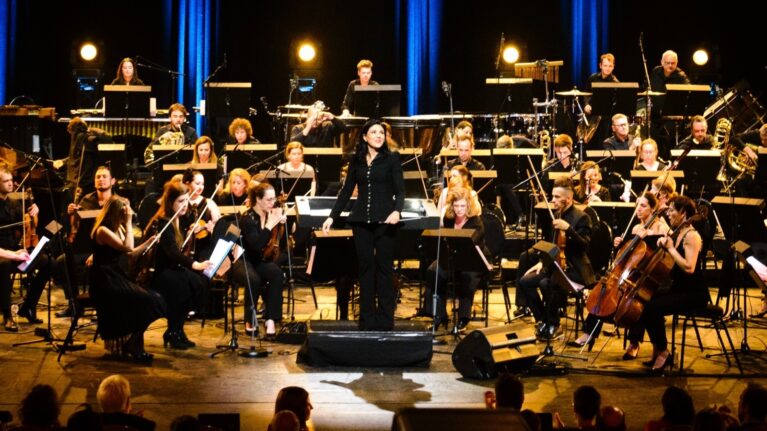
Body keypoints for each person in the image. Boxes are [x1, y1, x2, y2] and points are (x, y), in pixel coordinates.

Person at [322, 119, 405, 330]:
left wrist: (397, 211)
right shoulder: (357, 160)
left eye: (381, 133)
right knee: (365, 269)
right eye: (374, 132)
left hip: (385, 221)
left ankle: (385, 319)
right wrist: (332, 216)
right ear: (365, 137)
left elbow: (400, 190)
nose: (378, 136)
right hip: (360, 221)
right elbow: (346, 191)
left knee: (384, 270)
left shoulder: (392, 158)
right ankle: (366, 319)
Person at [572, 192, 669, 349]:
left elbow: (660, 253)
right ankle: (588, 333)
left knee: (636, 301)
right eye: (637, 205)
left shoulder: (661, 227)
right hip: (631, 273)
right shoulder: (636, 227)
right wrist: (621, 244)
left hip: (648, 276)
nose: (638, 209)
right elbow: (630, 256)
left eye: (643, 206)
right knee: (604, 292)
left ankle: (634, 343)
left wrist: (648, 236)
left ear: (653, 209)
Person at [632, 195, 708, 371]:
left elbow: (689, 268)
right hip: (678, 288)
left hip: (693, 293)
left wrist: (671, 248)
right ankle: (659, 350)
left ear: (683, 213)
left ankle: (663, 352)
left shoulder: (692, 236)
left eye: (672, 210)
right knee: (643, 301)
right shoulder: (677, 232)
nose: (668, 213)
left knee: (651, 308)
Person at [517, 177, 595, 340]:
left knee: (548, 283)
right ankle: (543, 320)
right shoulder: (556, 215)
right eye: (553, 196)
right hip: (556, 265)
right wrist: (542, 262)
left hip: (575, 269)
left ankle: (554, 324)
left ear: (568, 199)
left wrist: (569, 230)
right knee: (525, 281)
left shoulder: (582, 217)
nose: (553, 200)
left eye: (557, 197)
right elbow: (553, 245)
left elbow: (585, 246)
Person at [89, 197, 165, 361]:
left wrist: (148, 243)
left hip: (114, 276)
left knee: (154, 300)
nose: (130, 213)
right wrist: (129, 223)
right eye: (126, 211)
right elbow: (128, 247)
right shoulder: (103, 230)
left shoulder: (117, 228)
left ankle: (133, 343)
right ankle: (133, 344)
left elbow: (130, 254)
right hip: (104, 280)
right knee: (147, 301)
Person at [146, 181, 211, 349]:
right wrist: (195, 264)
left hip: (173, 268)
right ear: (170, 203)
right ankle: (173, 331)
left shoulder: (178, 219)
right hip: (159, 271)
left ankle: (177, 329)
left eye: (186, 200)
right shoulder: (163, 223)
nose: (185, 205)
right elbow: (173, 253)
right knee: (181, 286)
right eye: (180, 201)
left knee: (198, 282)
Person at [54, 165, 119, 318]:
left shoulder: (118, 202)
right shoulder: (86, 200)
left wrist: (97, 254)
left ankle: (100, 304)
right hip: (86, 248)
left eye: (104, 176)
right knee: (62, 261)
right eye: (98, 177)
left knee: (99, 265)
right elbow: (77, 227)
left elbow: (118, 234)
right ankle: (74, 303)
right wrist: (72, 214)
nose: (101, 179)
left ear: (113, 181)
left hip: (108, 251)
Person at [424, 187, 492, 331]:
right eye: (456, 206)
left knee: (467, 276)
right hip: (453, 257)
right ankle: (439, 315)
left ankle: (463, 318)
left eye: (462, 206)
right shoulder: (448, 219)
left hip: (473, 260)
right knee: (433, 271)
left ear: (468, 205)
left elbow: (470, 247)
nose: (459, 209)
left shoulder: (476, 222)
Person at [0, 165, 49, 331]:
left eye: (11, 180)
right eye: (5, 181)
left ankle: (28, 306)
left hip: (16, 253)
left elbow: (24, 228)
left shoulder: (14, 203)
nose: (10, 184)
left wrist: (34, 213)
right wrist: (14, 254)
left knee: (48, 262)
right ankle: (7, 314)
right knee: (4, 265)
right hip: (3, 256)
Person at [238, 182, 287, 336]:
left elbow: (277, 243)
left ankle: (270, 318)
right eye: (269, 200)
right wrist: (270, 224)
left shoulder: (269, 214)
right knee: (254, 279)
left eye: (274, 199)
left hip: (259, 259)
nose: (273, 203)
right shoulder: (247, 219)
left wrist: (282, 224)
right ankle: (249, 319)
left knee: (277, 274)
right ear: (258, 200)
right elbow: (256, 245)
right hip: (244, 259)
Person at [53, 117, 112, 195]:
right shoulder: (79, 138)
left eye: (71, 131)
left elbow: (107, 138)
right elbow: (76, 156)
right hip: (77, 181)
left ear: (74, 129)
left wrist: (91, 130)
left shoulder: (81, 137)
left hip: (84, 182)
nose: (71, 134)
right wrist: (63, 161)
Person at [181, 169, 221, 261]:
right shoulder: (181, 202)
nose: (201, 187)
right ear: (188, 184)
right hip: (184, 247)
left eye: (202, 184)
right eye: (197, 183)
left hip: (205, 248)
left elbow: (218, 225)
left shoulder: (209, 203)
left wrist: (211, 227)